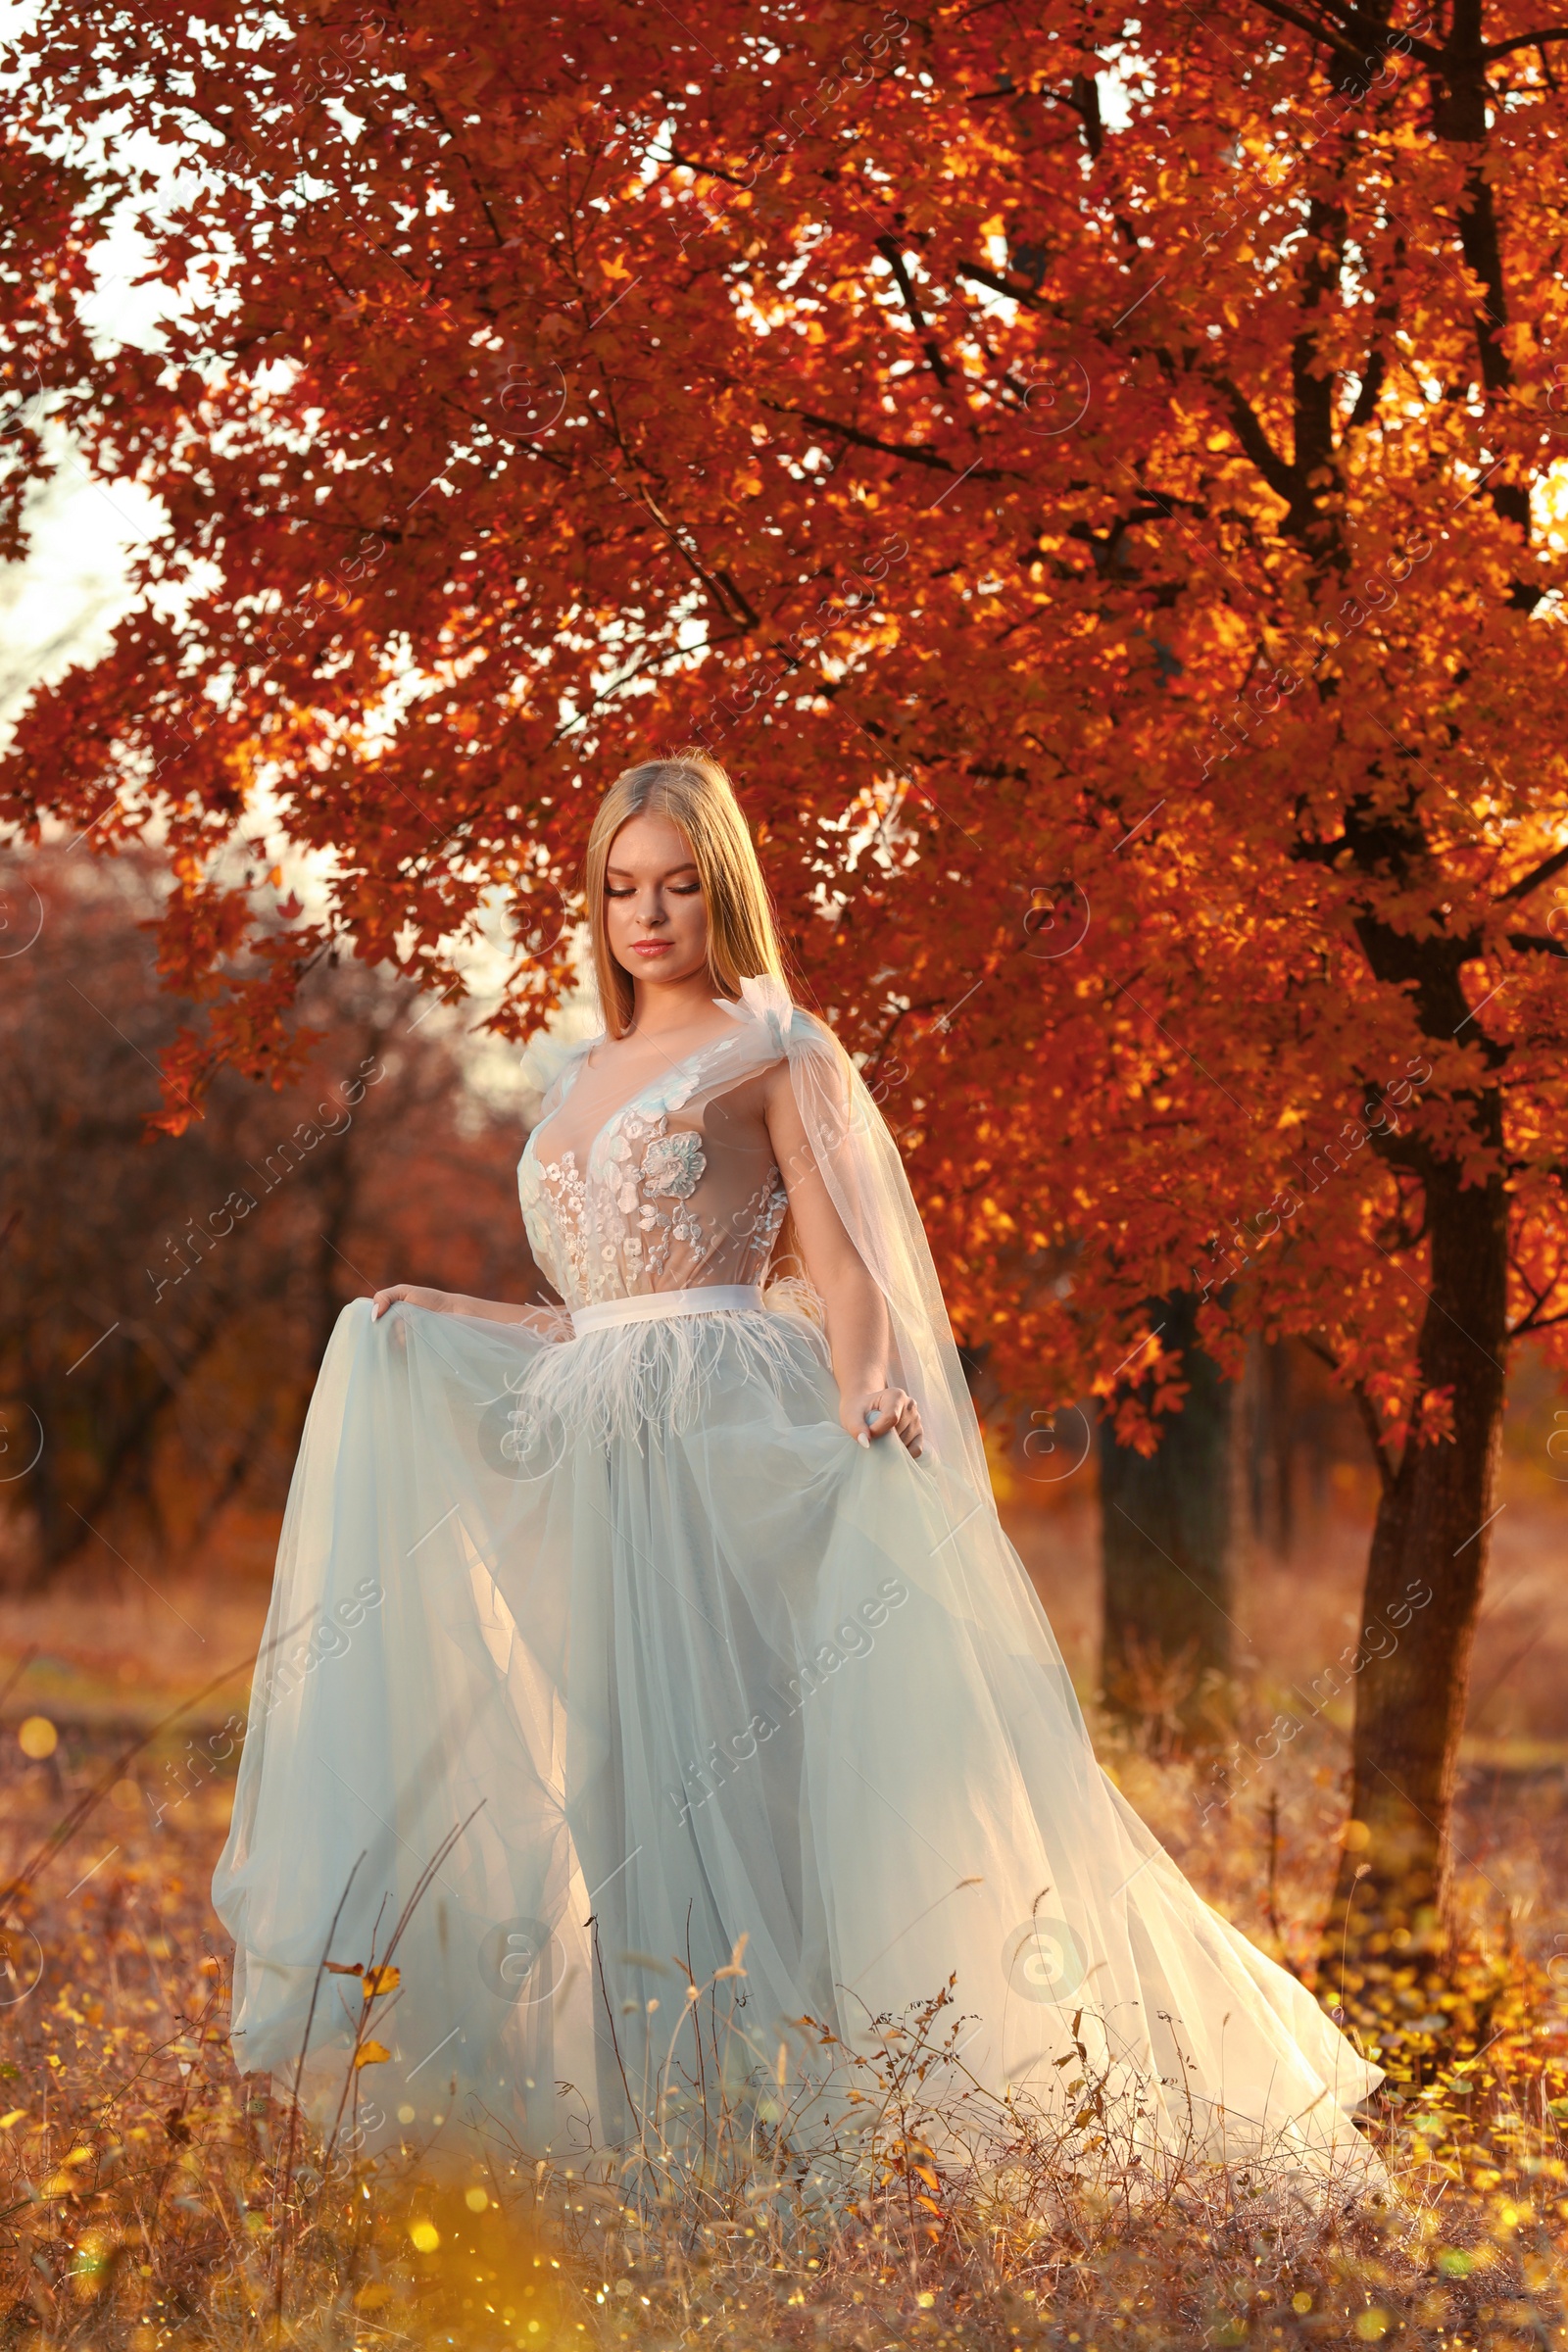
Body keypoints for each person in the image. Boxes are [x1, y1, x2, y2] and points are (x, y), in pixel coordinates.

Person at [212, 754, 1382, 2191]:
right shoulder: (580, 1074)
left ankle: (831, 2135)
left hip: (727, 1447)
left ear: (725, 887)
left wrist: (868, 1381)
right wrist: (439, 1315)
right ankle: (676, 2148)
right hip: (601, 1465)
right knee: (622, 1795)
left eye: (679, 885)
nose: (648, 915)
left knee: (759, 1791)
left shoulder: (780, 1050)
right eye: (621, 889)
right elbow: (592, 1312)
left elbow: (843, 1263)